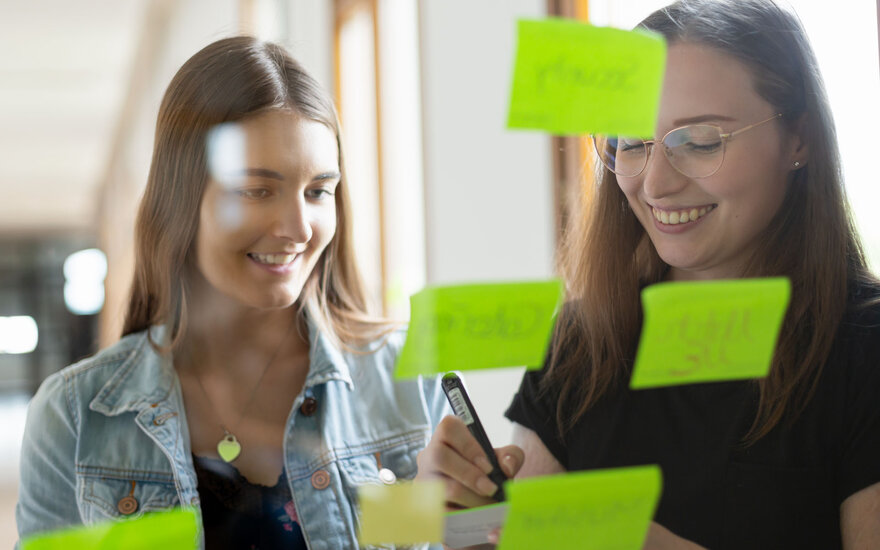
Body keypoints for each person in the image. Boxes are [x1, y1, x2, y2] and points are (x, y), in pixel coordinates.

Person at [415, 1, 880, 548]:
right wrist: (465, 521)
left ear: (798, 139)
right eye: (631, 144)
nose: (654, 184)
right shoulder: (580, 344)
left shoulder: (862, 350)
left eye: (701, 141)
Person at [17, 36, 449, 550]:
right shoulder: (75, 416)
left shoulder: (412, 383)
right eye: (256, 190)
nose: (298, 227)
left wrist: (473, 525)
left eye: (317, 192)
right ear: (181, 200)